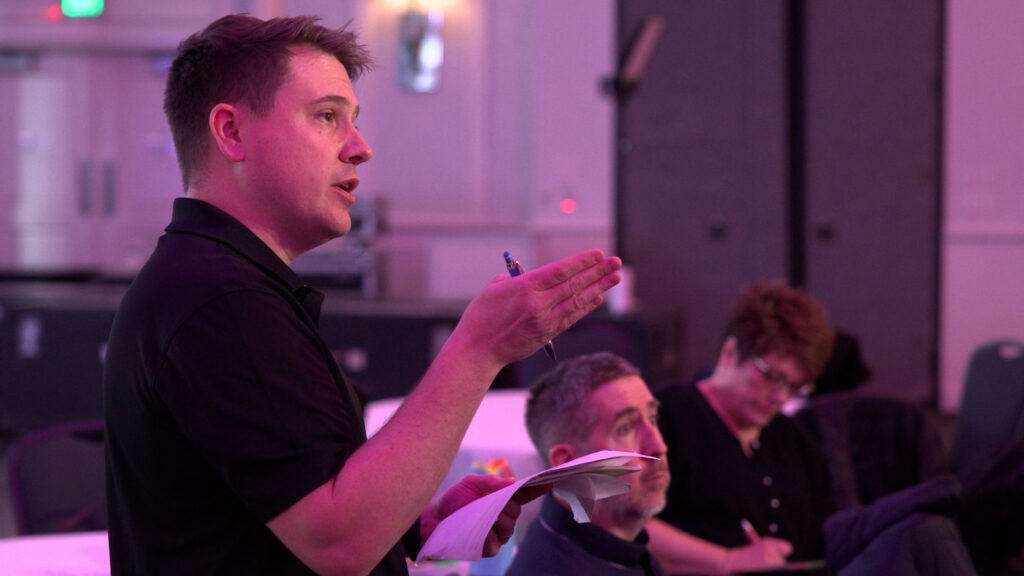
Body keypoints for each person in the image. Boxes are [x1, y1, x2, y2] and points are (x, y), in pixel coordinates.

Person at [102, 14, 621, 576]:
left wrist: (413, 524)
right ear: (231, 132)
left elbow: (279, 506)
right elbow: (338, 546)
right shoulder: (221, 300)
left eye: (354, 121)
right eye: (327, 116)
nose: (360, 148)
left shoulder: (216, 283)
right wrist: (478, 349)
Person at [507, 352, 792, 575]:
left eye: (653, 418)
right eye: (626, 428)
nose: (658, 446)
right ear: (568, 464)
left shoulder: (621, 546)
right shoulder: (559, 567)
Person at [649, 281, 836, 569]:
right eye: (770, 376)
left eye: (793, 387)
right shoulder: (667, 416)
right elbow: (615, 521)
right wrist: (726, 561)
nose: (780, 397)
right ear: (729, 352)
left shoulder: (793, 440)